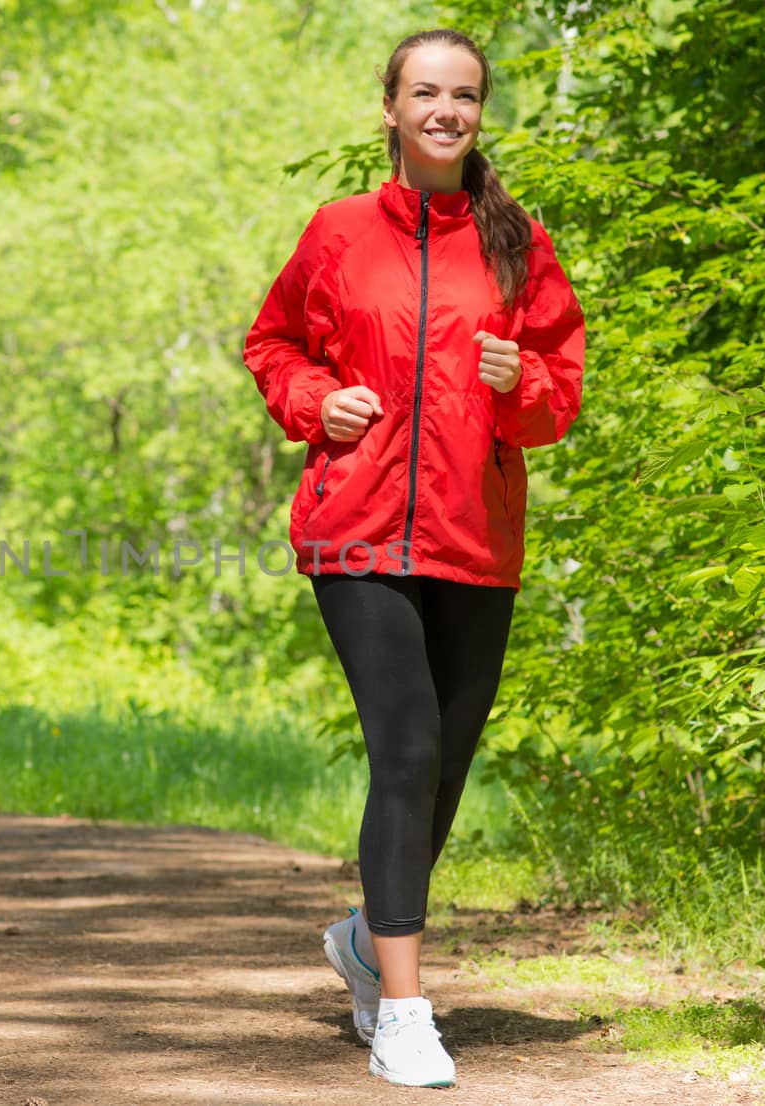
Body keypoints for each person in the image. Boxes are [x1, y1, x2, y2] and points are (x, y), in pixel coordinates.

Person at [243, 29, 584, 1088]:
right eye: (425, 92)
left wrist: (513, 376)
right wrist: (314, 400)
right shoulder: (339, 232)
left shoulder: (518, 240)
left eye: (465, 95)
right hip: (355, 529)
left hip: (472, 536)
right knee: (404, 746)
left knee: (445, 761)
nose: (446, 109)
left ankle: (360, 936)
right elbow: (272, 343)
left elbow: (556, 399)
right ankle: (401, 1005)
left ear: (480, 111)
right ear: (389, 108)